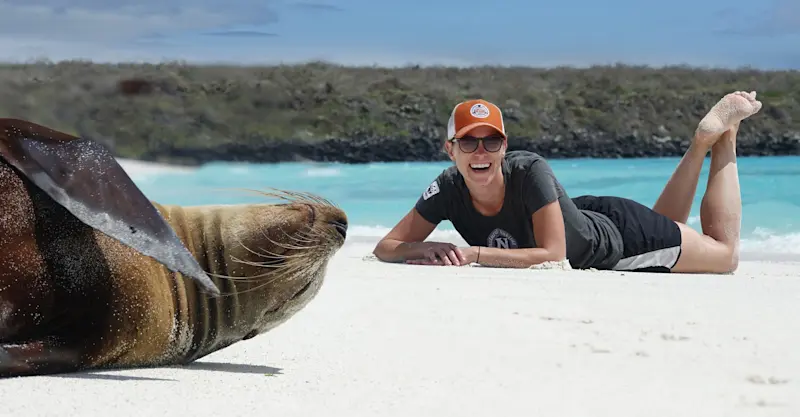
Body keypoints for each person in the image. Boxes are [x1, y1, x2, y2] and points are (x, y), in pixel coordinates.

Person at [372, 91, 763, 273]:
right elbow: (386, 247)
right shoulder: (446, 188)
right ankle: (699, 147)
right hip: (586, 212)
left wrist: (472, 253)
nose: (481, 152)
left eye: (491, 141)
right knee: (670, 225)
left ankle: (723, 138)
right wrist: (426, 248)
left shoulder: (529, 170)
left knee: (724, 256)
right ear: (450, 149)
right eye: (469, 142)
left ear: (504, 146)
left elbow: (554, 255)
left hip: (621, 242)